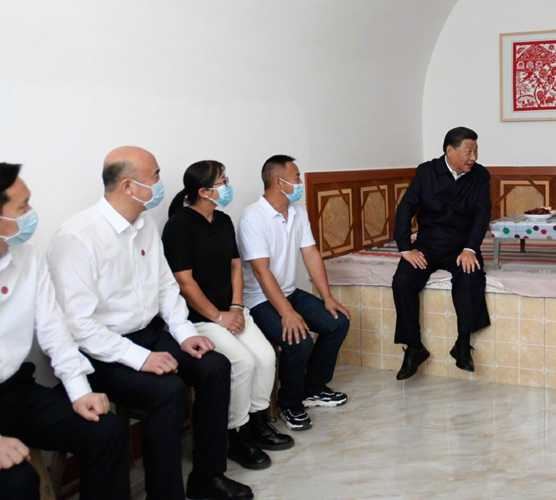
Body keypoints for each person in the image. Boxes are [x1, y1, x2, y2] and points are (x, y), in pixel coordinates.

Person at [47, 147, 252, 500]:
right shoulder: (78, 236)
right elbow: (78, 325)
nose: (160, 184)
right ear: (128, 186)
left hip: (150, 334)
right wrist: (141, 358)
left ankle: (207, 476)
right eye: (155, 176)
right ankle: (165, 493)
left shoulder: (144, 227)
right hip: (101, 350)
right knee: (168, 391)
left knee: (215, 366)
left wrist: (185, 334)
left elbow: (166, 288)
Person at [0, 163, 130, 500]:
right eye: (23, 206)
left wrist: (79, 391)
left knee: (107, 430)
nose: (31, 213)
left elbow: (53, 330)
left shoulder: (28, 258)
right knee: (17, 482)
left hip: (16, 392)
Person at [162, 161, 294, 471]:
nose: (227, 186)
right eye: (222, 182)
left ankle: (257, 421)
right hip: (200, 319)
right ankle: (236, 434)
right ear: (203, 191)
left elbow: (236, 266)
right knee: (242, 362)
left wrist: (235, 307)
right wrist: (218, 317)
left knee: (265, 357)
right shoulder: (179, 226)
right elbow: (185, 282)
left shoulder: (222, 220)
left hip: (233, 311)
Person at [237, 155, 350, 432]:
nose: (300, 182)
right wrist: (287, 313)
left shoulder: (297, 211)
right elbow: (261, 272)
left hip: (289, 292)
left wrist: (327, 297)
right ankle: (291, 403)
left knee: (337, 322)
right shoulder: (253, 217)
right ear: (279, 182)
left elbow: (310, 254)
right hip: (258, 299)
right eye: (297, 177)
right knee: (298, 340)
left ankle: (313, 388)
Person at [391, 127, 492, 380]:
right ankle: (414, 347)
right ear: (450, 151)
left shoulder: (480, 175)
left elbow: (482, 214)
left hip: (461, 246)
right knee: (403, 280)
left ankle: (462, 344)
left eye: (476, 151)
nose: (474, 157)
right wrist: (405, 248)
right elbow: (406, 207)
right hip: (428, 244)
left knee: (470, 276)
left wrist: (470, 249)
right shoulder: (427, 172)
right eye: (469, 151)